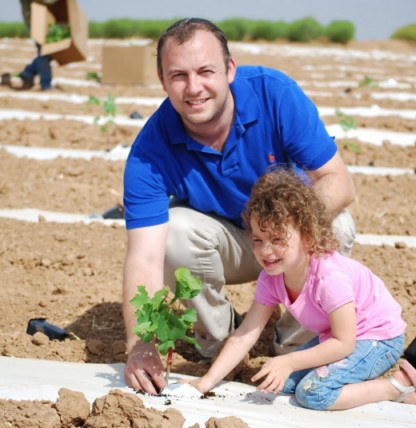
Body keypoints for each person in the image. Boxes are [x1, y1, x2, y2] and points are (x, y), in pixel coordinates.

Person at [122, 17, 357, 395]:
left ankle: (294, 344)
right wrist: (140, 344)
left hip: (288, 237)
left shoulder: (273, 94)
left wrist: (285, 230)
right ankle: (219, 348)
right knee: (175, 231)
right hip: (228, 244)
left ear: (230, 69)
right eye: (179, 75)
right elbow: (145, 258)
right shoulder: (150, 150)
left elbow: (339, 181)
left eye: (206, 71)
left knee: (338, 226)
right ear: (162, 80)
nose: (193, 87)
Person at [188, 168, 416, 410]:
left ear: (307, 236)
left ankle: (396, 387)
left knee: (312, 393)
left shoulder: (329, 279)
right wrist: (206, 383)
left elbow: (344, 343)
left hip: (378, 339)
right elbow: (245, 334)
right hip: (338, 337)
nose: (266, 250)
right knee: (281, 384)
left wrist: (289, 360)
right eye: (258, 240)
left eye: (277, 239)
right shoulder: (271, 278)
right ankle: (353, 379)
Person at [1, 0, 57, 90]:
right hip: (35, 20)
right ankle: (45, 84)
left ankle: (28, 73)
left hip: (39, 19)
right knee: (44, 52)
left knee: (47, 52)